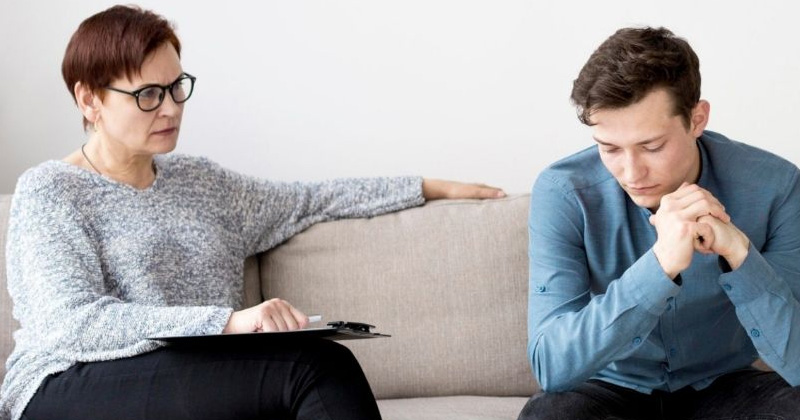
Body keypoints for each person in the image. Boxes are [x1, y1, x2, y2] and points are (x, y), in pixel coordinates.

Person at [0, 5, 505, 420]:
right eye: (148, 94)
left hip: (184, 376)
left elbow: (311, 199)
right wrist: (229, 323)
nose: (171, 108)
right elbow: (74, 324)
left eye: (176, 87)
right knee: (315, 366)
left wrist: (428, 187)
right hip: (66, 381)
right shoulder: (51, 190)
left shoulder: (202, 183)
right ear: (89, 99)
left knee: (314, 365)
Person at [519, 27, 800, 419]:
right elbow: (551, 365)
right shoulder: (564, 192)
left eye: (652, 146)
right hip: (607, 388)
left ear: (697, 119)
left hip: (723, 385)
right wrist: (660, 266)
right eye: (609, 149)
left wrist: (741, 255)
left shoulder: (777, 186)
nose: (631, 172)